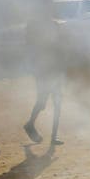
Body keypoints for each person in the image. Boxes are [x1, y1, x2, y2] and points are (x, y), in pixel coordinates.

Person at [23, 17, 64, 146]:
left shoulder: (52, 43)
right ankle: (30, 124)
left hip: (51, 76)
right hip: (46, 76)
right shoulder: (47, 44)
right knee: (43, 103)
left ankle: (52, 136)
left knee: (54, 104)